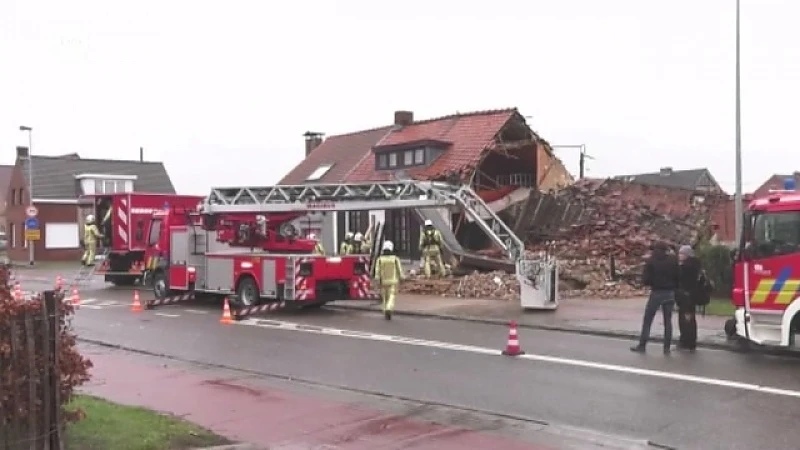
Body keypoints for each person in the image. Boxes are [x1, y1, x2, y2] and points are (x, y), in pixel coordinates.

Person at [631, 241, 679, 354]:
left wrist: (649, 282)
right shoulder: (673, 260)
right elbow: (678, 276)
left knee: (648, 319)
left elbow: (646, 279)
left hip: (656, 292)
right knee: (668, 321)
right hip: (670, 292)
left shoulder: (651, 261)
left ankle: (642, 345)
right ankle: (666, 348)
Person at [676, 245, 701, 351]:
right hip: (692, 296)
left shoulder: (686, 267)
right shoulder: (696, 265)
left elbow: (680, 279)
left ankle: (686, 341)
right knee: (690, 318)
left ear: (687, 255)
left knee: (685, 319)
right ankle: (691, 340)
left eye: (682, 254)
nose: (679, 255)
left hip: (686, 297)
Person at [373, 240, 404, 320]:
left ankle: (385, 311)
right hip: (393, 281)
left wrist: (377, 279)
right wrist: (402, 277)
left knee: (385, 298)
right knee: (392, 296)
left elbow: (377, 271)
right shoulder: (395, 259)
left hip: (383, 282)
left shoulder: (379, 259)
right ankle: (389, 308)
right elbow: (399, 270)